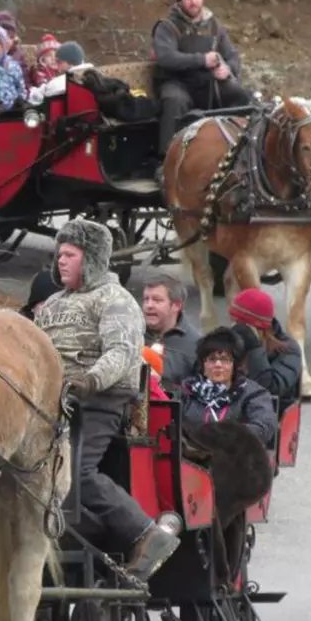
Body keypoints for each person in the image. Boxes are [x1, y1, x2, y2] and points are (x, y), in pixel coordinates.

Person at [35, 218, 182, 581]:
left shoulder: (116, 300)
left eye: (70, 254)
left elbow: (121, 352)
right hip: (51, 399)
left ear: (94, 258)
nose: (61, 262)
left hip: (98, 400)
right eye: (59, 255)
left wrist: (87, 381)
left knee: (77, 472)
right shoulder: (52, 303)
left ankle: (147, 534)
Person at [151, 0, 250, 171]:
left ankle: (243, 152)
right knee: (174, 101)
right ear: (179, 1)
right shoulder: (167, 27)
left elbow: (232, 56)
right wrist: (202, 60)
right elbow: (166, 57)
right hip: (176, 81)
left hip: (207, 82)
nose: (193, 1)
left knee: (240, 95)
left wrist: (227, 68)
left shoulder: (214, 26)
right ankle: (166, 162)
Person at [179, 327, 277, 446]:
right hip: (191, 455)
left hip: (236, 455)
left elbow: (264, 426)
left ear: (234, 365)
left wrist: (227, 436)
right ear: (203, 365)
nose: (218, 365)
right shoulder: (186, 391)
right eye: (212, 359)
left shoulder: (253, 394)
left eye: (225, 360)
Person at [227, 288, 303, 410]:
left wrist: (254, 348)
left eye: (240, 324)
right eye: (233, 321)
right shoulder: (231, 339)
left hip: (268, 411)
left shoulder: (288, 349)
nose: (235, 327)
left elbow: (270, 389)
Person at [141, 273, 200, 391]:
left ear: (176, 305)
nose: (149, 305)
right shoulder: (131, 334)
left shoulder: (195, 345)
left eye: (157, 300)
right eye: (146, 299)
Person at [27, 41, 94, 104]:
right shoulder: (93, 75)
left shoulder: (60, 83)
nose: (56, 63)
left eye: (58, 61)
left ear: (67, 62)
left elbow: (38, 96)